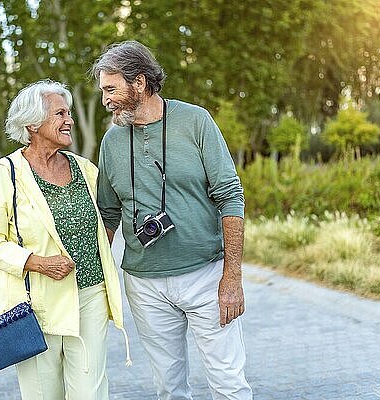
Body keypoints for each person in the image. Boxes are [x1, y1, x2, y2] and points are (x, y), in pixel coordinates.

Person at [92, 41, 252, 400]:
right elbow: (108, 213)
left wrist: (233, 276)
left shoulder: (195, 121)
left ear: (140, 83)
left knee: (228, 382)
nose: (105, 99)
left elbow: (230, 195)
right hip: (145, 286)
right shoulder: (112, 141)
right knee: (169, 388)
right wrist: (95, 277)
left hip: (206, 277)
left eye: (110, 89)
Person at [0, 80, 130, 400]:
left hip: (90, 297)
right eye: (60, 113)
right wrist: (37, 263)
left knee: (91, 391)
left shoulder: (85, 169)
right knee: (44, 394)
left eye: (68, 113)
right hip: (36, 303)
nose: (68, 120)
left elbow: (108, 220)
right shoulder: (7, 172)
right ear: (32, 124)